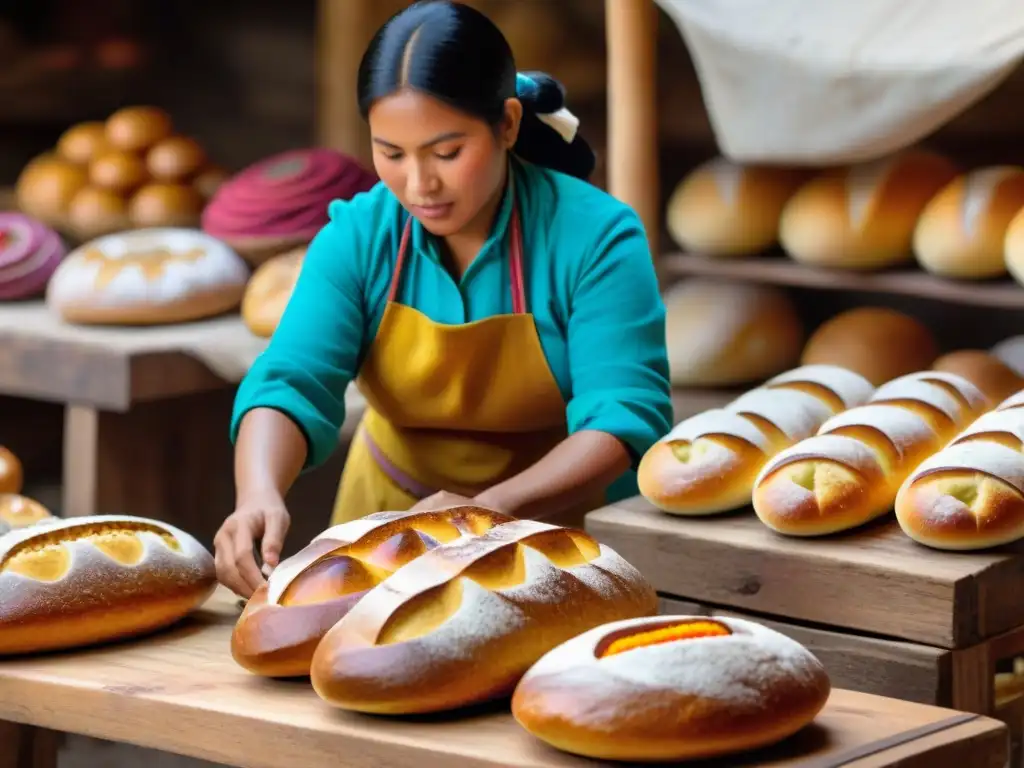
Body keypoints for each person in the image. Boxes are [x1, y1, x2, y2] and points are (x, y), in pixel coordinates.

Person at [214, 0, 672, 598]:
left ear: (507, 123)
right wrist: (257, 494)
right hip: (384, 530)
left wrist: (486, 511)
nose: (419, 184)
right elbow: (291, 380)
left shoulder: (595, 236)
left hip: (559, 534)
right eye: (392, 153)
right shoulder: (358, 237)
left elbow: (623, 414)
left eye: (447, 152)